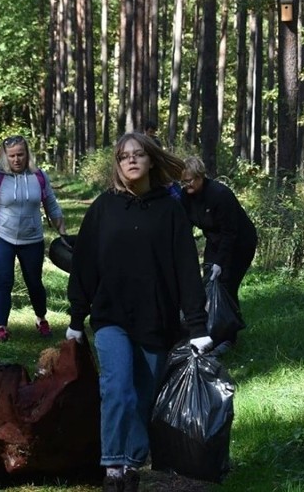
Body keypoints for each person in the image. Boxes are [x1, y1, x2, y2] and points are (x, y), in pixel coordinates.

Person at [65, 133, 212, 492]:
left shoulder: (171, 209)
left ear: (150, 161)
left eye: (138, 155)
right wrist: (75, 319)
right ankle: (112, 467)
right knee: (117, 388)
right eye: (123, 156)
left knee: (143, 396)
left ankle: (132, 463)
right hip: (110, 315)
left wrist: (197, 326)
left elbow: (186, 268)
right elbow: (85, 264)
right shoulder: (103, 208)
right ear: (117, 165)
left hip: (156, 318)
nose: (131, 161)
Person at [0, 135, 67, 342]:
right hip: (2, 237)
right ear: (5, 157)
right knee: (4, 282)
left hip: (32, 239)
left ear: (27, 154)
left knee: (34, 282)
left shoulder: (39, 177)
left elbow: (51, 203)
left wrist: (63, 232)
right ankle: (2, 326)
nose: (16, 159)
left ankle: (41, 319)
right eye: (12, 155)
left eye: (20, 154)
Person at [180, 156, 258, 355]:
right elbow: (184, 226)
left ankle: (229, 337)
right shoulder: (185, 197)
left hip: (240, 243)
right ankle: (211, 331)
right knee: (208, 285)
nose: (186, 185)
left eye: (189, 180)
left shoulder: (220, 194)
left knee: (226, 286)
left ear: (200, 177)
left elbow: (230, 232)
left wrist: (221, 262)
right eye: (183, 181)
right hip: (215, 240)